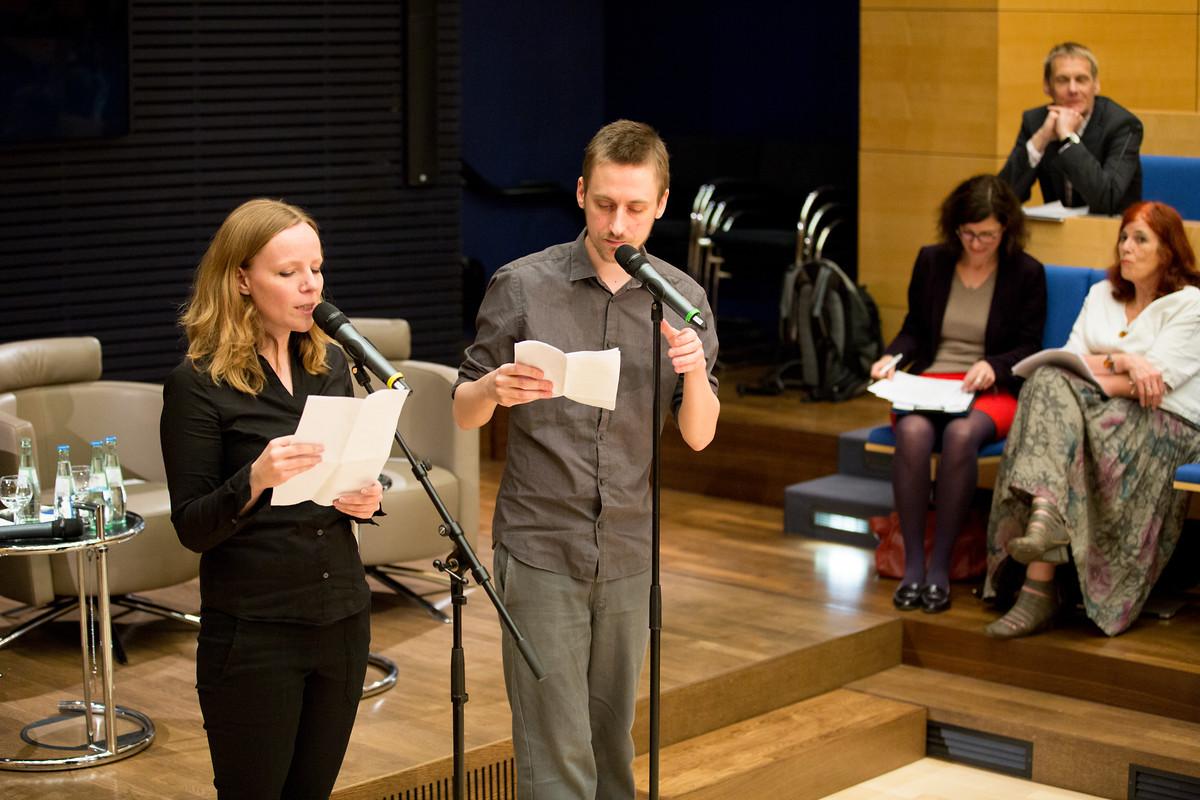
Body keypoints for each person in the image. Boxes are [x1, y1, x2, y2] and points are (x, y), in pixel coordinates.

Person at [453, 119, 720, 798]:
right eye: (604, 204)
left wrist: (694, 371)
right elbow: (462, 409)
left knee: (612, 744)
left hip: (629, 545)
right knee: (556, 750)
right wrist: (493, 389)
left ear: (662, 204)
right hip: (541, 541)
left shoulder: (682, 299)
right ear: (580, 193)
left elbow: (698, 435)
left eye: (635, 207)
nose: (617, 224)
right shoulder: (522, 286)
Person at [160, 199, 383, 799]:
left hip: (342, 617)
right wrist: (254, 478)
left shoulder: (329, 366)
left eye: (317, 268)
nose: (311, 285)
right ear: (241, 281)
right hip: (255, 632)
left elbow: (337, 479)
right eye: (288, 272)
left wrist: (365, 497)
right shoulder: (197, 385)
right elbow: (192, 527)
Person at [984, 201, 1200, 639]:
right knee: (1047, 382)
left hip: (1165, 423)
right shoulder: (1102, 293)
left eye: (1140, 239)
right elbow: (1068, 356)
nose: (1126, 247)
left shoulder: (1190, 303)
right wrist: (1125, 361)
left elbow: (1154, 385)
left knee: (1055, 398)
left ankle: (1039, 583)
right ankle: (1046, 521)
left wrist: (1108, 368)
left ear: (1168, 251)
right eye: (1123, 237)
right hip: (1096, 411)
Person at [869, 174, 1046, 614]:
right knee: (912, 433)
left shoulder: (1026, 272)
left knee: (961, 436)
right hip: (932, 381)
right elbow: (914, 329)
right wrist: (891, 357)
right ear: (955, 228)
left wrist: (994, 366)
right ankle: (913, 563)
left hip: (989, 387)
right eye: (969, 233)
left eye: (987, 235)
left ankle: (940, 567)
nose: (977, 243)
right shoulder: (933, 261)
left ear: (1006, 229)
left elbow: (1029, 346)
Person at [998, 41, 1142, 215]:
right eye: (1062, 80)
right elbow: (1000, 202)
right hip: (1058, 230)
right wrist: (1040, 140)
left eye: (1081, 80)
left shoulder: (1123, 125)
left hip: (1110, 228)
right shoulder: (1036, 122)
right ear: (1047, 86)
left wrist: (1068, 138)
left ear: (1096, 85)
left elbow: (1107, 200)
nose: (1073, 89)